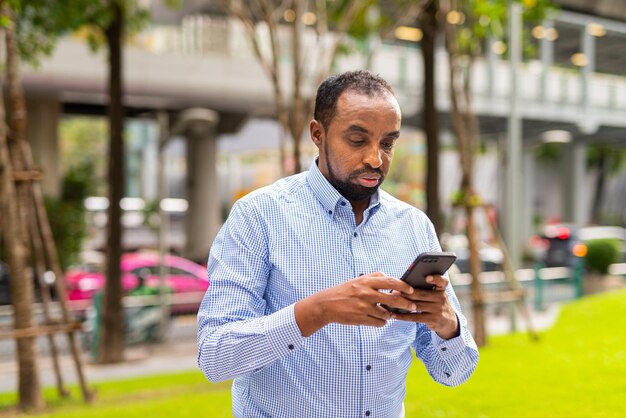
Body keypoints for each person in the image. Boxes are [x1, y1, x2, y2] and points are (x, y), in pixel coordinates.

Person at [197, 70, 479, 417]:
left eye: (388, 142)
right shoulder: (258, 216)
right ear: (318, 134)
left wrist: (446, 324)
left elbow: (454, 372)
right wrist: (318, 311)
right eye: (358, 140)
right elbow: (216, 356)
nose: (376, 159)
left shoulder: (414, 226)